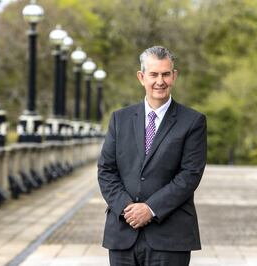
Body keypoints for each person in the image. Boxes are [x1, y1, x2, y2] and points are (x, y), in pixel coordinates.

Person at [98, 45, 207, 266]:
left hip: (169, 237)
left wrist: (150, 209)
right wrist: (128, 209)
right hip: (123, 233)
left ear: (174, 76)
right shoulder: (120, 119)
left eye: (166, 74)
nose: (160, 81)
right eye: (154, 74)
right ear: (141, 77)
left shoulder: (193, 121)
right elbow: (106, 170)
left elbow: (190, 175)